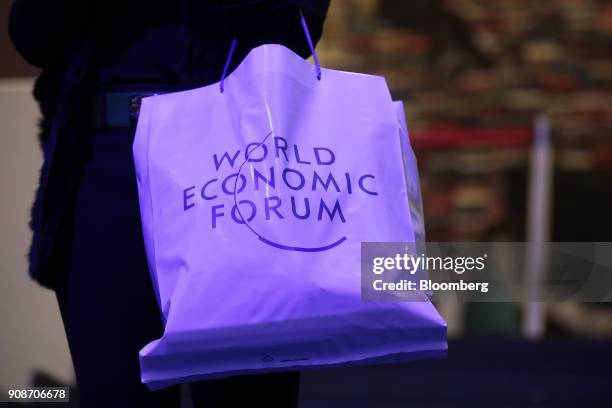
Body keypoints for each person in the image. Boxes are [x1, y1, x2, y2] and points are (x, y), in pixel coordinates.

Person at [8, 1, 329, 407]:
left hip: (239, 159)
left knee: (247, 390)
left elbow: (296, 26)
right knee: (114, 388)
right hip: (105, 160)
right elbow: (32, 38)